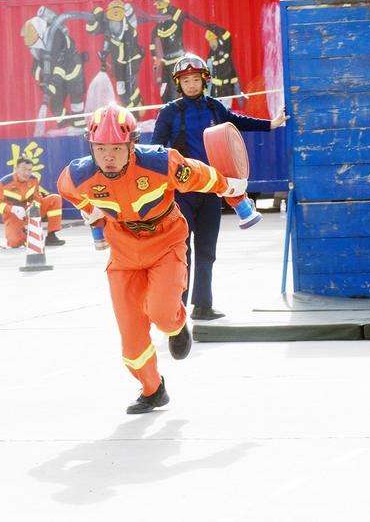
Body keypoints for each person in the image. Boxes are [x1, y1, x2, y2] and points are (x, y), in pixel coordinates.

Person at [57, 104, 245, 414]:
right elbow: (70, 193)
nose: (108, 156)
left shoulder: (161, 162)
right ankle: (153, 389)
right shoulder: (77, 175)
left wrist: (229, 187)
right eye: (100, 148)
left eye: (116, 148)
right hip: (123, 253)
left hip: (166, 241)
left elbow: (199, 175)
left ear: (132, 145)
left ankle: (176, 325)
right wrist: (93, 215)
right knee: (131, 344)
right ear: (91, 147)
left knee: (161, 312)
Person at [151, 53, 288, 321]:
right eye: (186, 81)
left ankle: (203, 306)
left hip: (212, 190)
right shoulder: (169, 112)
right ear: (179, 84)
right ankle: (176, 310)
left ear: (205, 81)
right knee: (181, 252)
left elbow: (239, 122)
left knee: (207, 251)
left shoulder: (215, 108)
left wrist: (271, 124)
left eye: (195, 79)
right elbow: (156, 149)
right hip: (181, 194)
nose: (191, 85)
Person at [0, 156, 65, 249]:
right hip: (13, 216)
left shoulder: (34, 180)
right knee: (15, 243)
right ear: (16, 168)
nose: (27, 173)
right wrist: (13, 209)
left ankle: (51, 236)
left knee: (55, 199)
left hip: (30, 212)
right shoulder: (4, 183)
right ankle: (15, 239)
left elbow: (37, 198)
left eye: (30, 170)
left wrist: (33, 207)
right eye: (24, 169)